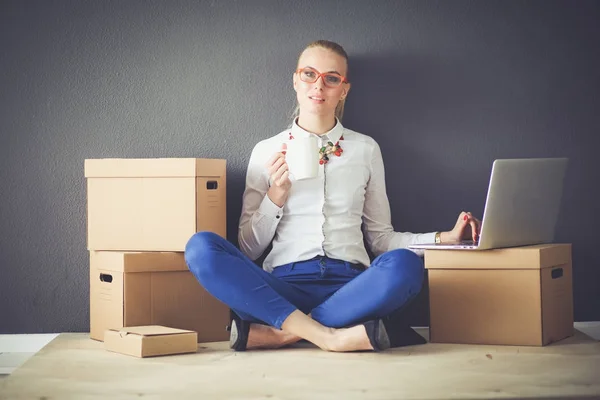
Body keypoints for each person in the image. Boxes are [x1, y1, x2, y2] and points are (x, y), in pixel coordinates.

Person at [185, 40, 480, 352]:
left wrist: (443, 238)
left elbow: (381, 239)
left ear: (344, 89)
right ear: (296, 81)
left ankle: (283, 333)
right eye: (309, 74)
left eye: (331, 78)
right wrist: (276, 195)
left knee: (404, 265)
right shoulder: (266, 151)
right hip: (281, 288)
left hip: (352, 288)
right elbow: (248, 247)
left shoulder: (366, 149)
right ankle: (332, 336)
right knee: (201, 247)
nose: (319, 86)